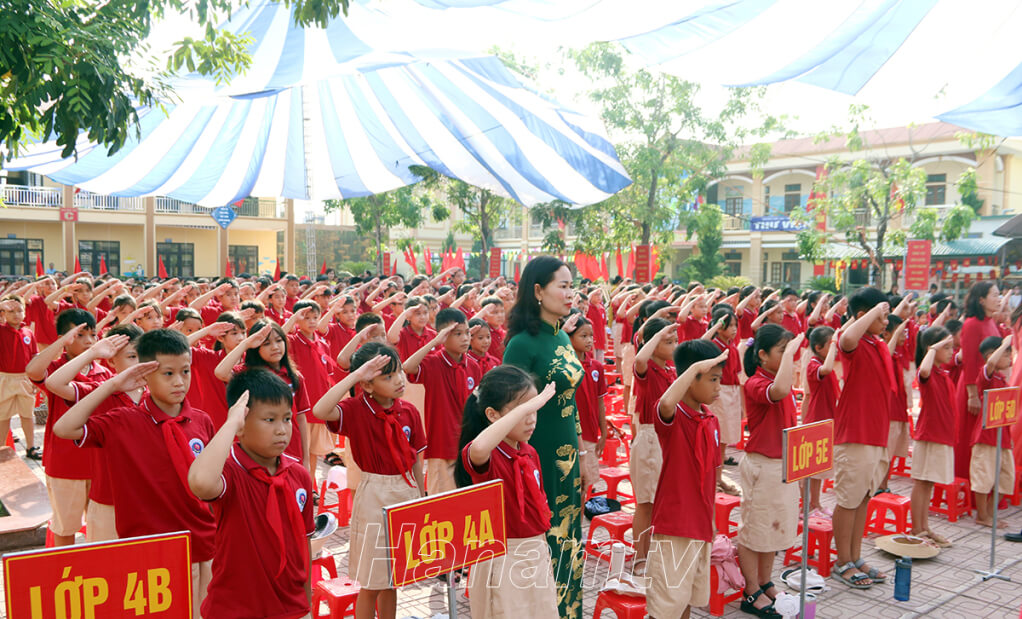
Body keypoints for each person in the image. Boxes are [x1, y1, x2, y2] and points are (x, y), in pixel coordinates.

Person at [53, 329, 217, 616]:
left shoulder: (201, 421)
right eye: (168, 374)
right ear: (145, 375)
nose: (180, 382)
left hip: (203, 544)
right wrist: (114, 384)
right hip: (151, 552)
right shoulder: (123, 422)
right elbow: (64, 429)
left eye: (185, 371)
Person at [189, 369, 315, 619]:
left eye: (287, 419)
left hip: (290, 606)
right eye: (269, 420)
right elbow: (201, 482)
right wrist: (230, 424)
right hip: (235, 607)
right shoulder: (231, 473)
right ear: (242, 424)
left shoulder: (297, 474)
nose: (282, 430)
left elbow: (305, 543)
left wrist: (306, 600)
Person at [313, 343, 425, 619]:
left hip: (406, 490)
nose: (398, 379)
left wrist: (422, 497)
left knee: (392, 579)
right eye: (387, 377)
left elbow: (418, 460)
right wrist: (354, 375)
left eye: (397, 371)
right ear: (368, 384)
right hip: (374, 494)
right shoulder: (354, 409)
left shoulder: (409, 410)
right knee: (372, 582)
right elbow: (320, 410)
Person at [502, 256, 584, 619]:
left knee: (569, 541)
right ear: (537, 290)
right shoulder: (521, 344)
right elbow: (508, 410)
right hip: (536, 456)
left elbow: (570, 399)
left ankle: (569, 612)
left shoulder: (563, 335)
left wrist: (584, 453)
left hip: (569, 457)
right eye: (562, 286)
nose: (570, 293)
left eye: (571, 285)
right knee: (542, 542)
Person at [455, 366, 560, 617]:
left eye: (534, 410)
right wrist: (526, 406)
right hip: (503, 557)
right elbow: (478, 448)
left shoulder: (529, 452)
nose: (531, 418)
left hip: (534, 552)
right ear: (492, 414)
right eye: (522, 411)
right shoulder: (489, 455)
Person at [645, 339, 727, 619]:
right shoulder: (674, 415)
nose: (718, 387)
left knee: (688, 597)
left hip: (701, 525)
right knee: (666, 604)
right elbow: (666, 402)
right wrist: (693, 369)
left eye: (720, 379)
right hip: (675, 526)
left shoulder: (710, 419)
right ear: (690, 379)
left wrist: (712, 519)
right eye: (713, 379)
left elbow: (709, 477)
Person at [44, 324, 143, 543]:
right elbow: (53, 383)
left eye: (144, 356)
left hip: (147, 497)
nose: (139, 364)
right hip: (108, 497)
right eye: (132, 356)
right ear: (111, 361)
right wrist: (92, 353)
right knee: (105, 563)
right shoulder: (102, 392)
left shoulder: (157, 395)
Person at [25, 309, 112, 547]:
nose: (88, 341)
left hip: (98, 462)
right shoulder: (55, 369)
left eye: (92, 335)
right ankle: (66, 575)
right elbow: (32, 371)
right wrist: (62, 341)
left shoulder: (104, 373)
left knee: (99, 528)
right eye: (80, 335)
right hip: (65, 463)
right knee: (66, 527)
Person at [739, 324, 802, 616]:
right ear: (762, 355)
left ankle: (765, 582)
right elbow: (779, 391)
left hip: (783, 463)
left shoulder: (778, 377)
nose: (789, 355)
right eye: (782, 350)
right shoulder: (756, 382)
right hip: (763, 465)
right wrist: (792, 353)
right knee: (755, 530)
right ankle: (751, 589)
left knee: (774, 529)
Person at [831, 287, 892, 589]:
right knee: (848, 499)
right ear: (862, 316)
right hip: (855, 432)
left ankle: (855, 557)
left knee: (864, 497)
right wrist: (870, 314)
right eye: (882, 315)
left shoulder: (877, 344)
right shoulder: (854, 342)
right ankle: (842, 560)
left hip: (876, 432)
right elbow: (845, 338)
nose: (886, 321)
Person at [403, 308, 480, 495]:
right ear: (443, 337)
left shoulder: (473, 366)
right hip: (442, 445)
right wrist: (434, 342)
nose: (465, 338)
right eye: (457, 334)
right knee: (444, 499)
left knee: (467, 497)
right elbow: (408, 367)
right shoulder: (433, 363)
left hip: (468, 443)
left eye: (467, 333)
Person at [214, 321, 311, 468]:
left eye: (279, 340)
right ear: (256, 347)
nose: (275, 347)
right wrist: (246, 344)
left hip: (290, 446)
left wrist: (306, 458)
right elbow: (221, 372)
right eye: (266, 343)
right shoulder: (247, 374)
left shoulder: (295, 377)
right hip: (258, 448)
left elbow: (301, 419)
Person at [630, 317, 677, 570]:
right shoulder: (647, 370)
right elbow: (638, 359)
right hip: (650, 440)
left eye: (674, 341)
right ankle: (641, 556)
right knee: (646, 503)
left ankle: (656, 553)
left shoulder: (671, 370)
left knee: (663, 501)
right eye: (667, 341)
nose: (673, 346)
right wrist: (655, 337)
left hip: (669, 439)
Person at [911, 326, 956, 548]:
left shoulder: (943, 373)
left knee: (928, 483)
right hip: (930, 434)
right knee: (921, 481)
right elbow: (924, 371)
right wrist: (932, 349)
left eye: (951, 347)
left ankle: (925, 526)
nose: (950, 351)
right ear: (932, 349)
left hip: (942, 433)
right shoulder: (926, 372)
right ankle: (917, 529)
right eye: (945, 348)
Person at [955, 282, 1002, 479]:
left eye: (999, 295)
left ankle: (985, 486)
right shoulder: (971, 324)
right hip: (973, 387)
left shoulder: (992, 322)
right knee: (970, 439)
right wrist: (972, 395)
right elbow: (970, 361)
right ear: (981, 299)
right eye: (994, 295)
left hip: (990, 385)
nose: (999, 299)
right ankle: (969, 488)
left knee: (987, 439)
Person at [971, 335, 1015, 527]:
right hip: (986, 436)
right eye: (1007, 354)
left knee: (1007, 477)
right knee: (984, 476)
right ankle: (982, 515)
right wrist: (1005, 342)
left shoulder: (1002, 378)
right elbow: (990, 363)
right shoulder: (986, 375)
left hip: (1002, 436)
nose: (1010, 358)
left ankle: (989, 512)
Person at [566, 313, 608, 496]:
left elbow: (600, 402)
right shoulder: (564, 366)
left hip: (589, 434)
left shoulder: (596, 367)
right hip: (568, 433)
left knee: (586, 485)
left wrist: (604, 432)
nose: (589, 340)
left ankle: (581, 520)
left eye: (591, 335)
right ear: (568, 337)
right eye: (583, 336)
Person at [703, 307, 744, 484]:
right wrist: (717, 325)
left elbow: (738, 372)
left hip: (733, 390)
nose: (734, 329)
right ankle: (717, 477)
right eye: (730, 325)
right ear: (719, 327)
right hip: (721, 391)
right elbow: (702, 341)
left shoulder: (732, 344)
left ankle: (719, 471)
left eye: (736, 325)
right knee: (717, 435)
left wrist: (742, 403)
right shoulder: (715, 345)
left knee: (725, 435)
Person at [803, 325, 839, 517]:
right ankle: (808, 505)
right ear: (818, 347)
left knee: (820, 466)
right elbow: (827, 368)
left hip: (827, 418)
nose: (835, 348)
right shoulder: (814, 364)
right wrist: (835, 342)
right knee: (812, 467)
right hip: (817, 418)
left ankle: (815, 503)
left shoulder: (821, 361)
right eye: (830, 344)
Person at [0, 295, 40, 460]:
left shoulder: (28, 333)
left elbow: (35, 356)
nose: (16, 314)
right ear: (3, 314)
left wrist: (36, 379)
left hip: (25, 379)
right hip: (5, 379)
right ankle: (2, 447)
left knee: (27, 414)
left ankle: (30, 447)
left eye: (19, 310)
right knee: (3, 416)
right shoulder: (1, 331)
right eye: (11, 311)